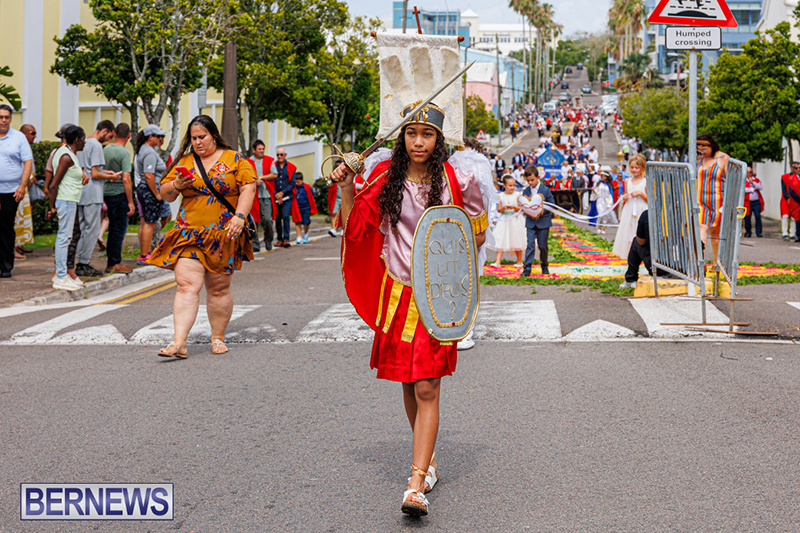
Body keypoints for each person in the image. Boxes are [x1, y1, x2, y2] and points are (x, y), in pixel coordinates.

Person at [329, 103, 488, 517]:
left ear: (440, 139)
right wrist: (348, 186)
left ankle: (416, 482)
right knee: (408, 384)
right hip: (397, 298)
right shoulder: (384, 178)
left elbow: (474, 238)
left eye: (427, 134)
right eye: (412, 133)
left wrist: (460, 288)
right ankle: (429, 459)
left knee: (427, 387)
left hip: (437, 302)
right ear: (401, 137)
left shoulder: (460, 180)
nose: (419, 141)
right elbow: (356, 228)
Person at [147, 115, 257, 358]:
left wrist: (240, 216)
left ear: (213, 136)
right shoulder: (185, 161)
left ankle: (217, 337)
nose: (197, 142)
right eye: (194, 138)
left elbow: (248, 186)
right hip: (189, 232)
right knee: (186, 285)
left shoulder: (234, 159)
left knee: (217, 289)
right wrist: (176, 184)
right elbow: (165, 194)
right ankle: (179, 343)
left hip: (224, 233)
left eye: (202, 137)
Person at [74, 120, 120, 277]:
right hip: (92, 192)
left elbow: (89, 168)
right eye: (109, 136)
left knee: (81, 228)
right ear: (104, 130)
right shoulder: (97, 145)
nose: (109, 139)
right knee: (92, 229)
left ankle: (79, 261)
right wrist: (111, 178)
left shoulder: (83, 143)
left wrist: (106, 173)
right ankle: (83, 262)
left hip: (81, 191)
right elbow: (95, 174)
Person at [45, 126, 86, 291]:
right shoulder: (66, 157)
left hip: (69, 200)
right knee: (64, 238)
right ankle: (60, 276)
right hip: (66, 200)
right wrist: (51, 207)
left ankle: (63, 275)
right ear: (77, 139)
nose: (84, 143)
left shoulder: (66, 154)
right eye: (83, 139)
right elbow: (53, 185)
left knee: (66, 238)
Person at [0, 104, 33, 278]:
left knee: (6, 228)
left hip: (11, 191)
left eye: (6, 117)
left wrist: (22, 186)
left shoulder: (18, 138)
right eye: (0, 117)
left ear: (11, 118)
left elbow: (27, 162)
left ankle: (6, 267)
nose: (3, 120)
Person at [103, 123, 135, 273]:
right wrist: (130, 201)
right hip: (119, 194)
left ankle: (112, 260)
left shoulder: (106, 149)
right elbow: (126, 179)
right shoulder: (124, 153)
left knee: (112, 229)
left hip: (107, 192)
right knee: (119, 229)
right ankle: (114, 262)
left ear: (114, 133)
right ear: (129, 136)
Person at [134, 124, 168, 263]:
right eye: (159, 136)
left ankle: (145, 253)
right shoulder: (149, 152)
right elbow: (149, 175)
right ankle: (144, 255)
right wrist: (157, 194)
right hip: (149, 190)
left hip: (144, 189)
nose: (161, 139)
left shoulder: (144, 149)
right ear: (151, 137)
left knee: (146, 222)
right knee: (149, 223)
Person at [696, 134, 730, 264]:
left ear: (711, 145)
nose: (701, 149)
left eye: (704, 146)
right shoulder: (700, 159)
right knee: (701, 228)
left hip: (718, 201)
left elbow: (731, 180)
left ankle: (717, 262)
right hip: (701, 201)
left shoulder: (723, 158)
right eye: (699, 147)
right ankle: (700, 261)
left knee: (715, 234)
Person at [520, 166, 555, 277]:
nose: (530, 182)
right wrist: (526, 210)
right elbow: (524, 205)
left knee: (542, 245)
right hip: (531, 222)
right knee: (530, 244)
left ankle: (544, 265)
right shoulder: (526, 191)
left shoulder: (545, 190)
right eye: (528, 180)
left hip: (543, 222)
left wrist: (540, 211)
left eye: (532, 180)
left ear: (538, 177)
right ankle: (527, 267)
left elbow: (552, 205)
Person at [618, 210, 667, 289]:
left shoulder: (648, 214)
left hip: (658, 267)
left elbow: (641, 242)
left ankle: (631, 278)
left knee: (636, 241)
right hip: (684, 267)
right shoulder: (684, 213)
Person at [612, 153, 648, 259]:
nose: (634, 170)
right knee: (628, 232)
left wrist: (640, 194)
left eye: (637, 168)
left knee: (640, 232)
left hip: (642, 209)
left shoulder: (645, 182)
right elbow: (625, 194)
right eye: (632, 167)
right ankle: (630, 254)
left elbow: (650, 200)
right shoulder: (627, 181)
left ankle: (643, 254)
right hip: (629, 209)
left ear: (642, 168)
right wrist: (625, 197)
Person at [14, 124, 38, 259]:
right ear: (24, 134)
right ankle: (12, 248)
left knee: (23, 218)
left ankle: (19, 244)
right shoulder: (17, 145)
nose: (35, 136)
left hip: (25, 186)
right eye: (32, 133)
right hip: (18, 186)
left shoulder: (24, 146)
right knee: (15, 219)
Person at [492, 175, 525, 267]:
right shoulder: (500, 196)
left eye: (514, 185)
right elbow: (498, 209)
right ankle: (497, 261)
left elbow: (520, 208)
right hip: (504, 219)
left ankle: (519, 261)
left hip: (515, 219)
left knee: (517, 239)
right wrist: (503, 208)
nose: (512, 187)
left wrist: (514, 207)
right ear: (504, 185)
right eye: (510, 185)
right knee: (501, 238)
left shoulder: (518, 195)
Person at [246, 140, 274, 251]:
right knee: (254, 221)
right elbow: (245, 175)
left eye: (263, 149)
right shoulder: (248, 161)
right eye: (259, 149)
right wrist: (254, 181)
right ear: (254, 150)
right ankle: (255, 244)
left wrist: (261, 177)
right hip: (253, 194)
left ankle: (268, 240)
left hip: (265, 194)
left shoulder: (269, 160)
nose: (261, 151)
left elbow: (274, 174)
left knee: (267, 219)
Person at [265, 148, 295, 248]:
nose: (279, 157)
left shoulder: (290, 167)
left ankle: (286, 239)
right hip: (276, 196)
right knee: (277, 218)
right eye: (278, 155)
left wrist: (282, 193)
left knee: (286, 217)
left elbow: (292, 183)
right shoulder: (273, 166)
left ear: (285, 155)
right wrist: (276, 194)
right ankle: (279, 239)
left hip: (286, 196)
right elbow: (270, 181)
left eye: (281, 155)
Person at [290, 172, 317, 244]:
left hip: (306, 207)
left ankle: (305, 233)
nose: (297, 183)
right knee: (297, 222)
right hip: (297, 208)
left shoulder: (307, 187)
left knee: (306, 222)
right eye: (295, 181)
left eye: (298, 181)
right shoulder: (293, 188)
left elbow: (312, 196)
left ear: (302, 180)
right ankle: (299, 236)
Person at [743, 166, 763, 238]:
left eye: (750, 172)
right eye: (747, 172)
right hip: (747, 202)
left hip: (756, 202)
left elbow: (760, 187)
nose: (749, 174)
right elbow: (744, 190)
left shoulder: (756, 180)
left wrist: (753, 183)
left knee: (758, 216)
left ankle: (758, 232)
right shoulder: (743, 180)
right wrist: (753, 189)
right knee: (747, 218)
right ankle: (748, 232)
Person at [782, 162, 800, 242]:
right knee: (786, 216)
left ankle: (793, 233)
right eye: (795, 167)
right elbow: (785, 189)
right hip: (789, 199)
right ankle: (785, 233)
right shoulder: (787, 177)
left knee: (794, 217)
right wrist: (787, 197)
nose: (797, 169)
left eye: (798, 167)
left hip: (795, 200)